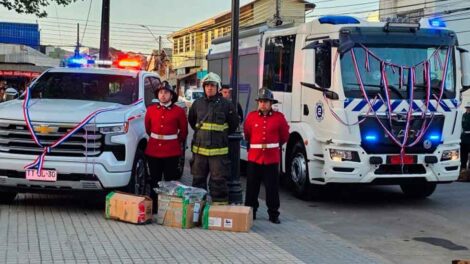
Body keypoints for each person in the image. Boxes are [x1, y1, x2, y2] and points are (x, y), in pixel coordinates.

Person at [188, 72, 239, 203]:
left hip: (219, 154)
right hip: (200, 154)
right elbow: (192, 122)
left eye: (212, 85)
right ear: (204, 87)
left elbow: (233, 125)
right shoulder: (197, 104)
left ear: (218, 87)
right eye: (207, 85)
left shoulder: (227, 105)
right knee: (198, 182)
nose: (209, 88)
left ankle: (218, 214)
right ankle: (198, 213)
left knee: (218, 183)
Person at [244, 88, 289, 224]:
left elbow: (284, 136)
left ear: (271, 103)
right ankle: (251, 212)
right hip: (254, 158)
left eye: (266, 101)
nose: (263, 104)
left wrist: (274, 146)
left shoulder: (279, 118)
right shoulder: (251, 117)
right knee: (252, 187)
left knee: (272, 188)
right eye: (261, 101)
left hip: (271, 158)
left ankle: (273, 213)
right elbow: (247, 134)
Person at [145, 81, 188, 207]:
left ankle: (168, 208)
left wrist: (174, 141)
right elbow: (148, 129)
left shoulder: (178, 111)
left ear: (171, 95)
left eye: (166, 93)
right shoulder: (151, 110)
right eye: (161, 92)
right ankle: (154, 208)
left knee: (170, 182)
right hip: (153, 151)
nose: (163, 95)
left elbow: (184, 132)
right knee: (154, 181)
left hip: (171, 151)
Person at [461, 103, 470, 171]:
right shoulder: (464, 115)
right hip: (464, 137)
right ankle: (463, 168)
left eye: (469, 108)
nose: (468, 109)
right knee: (463, 154)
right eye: (467, 107)